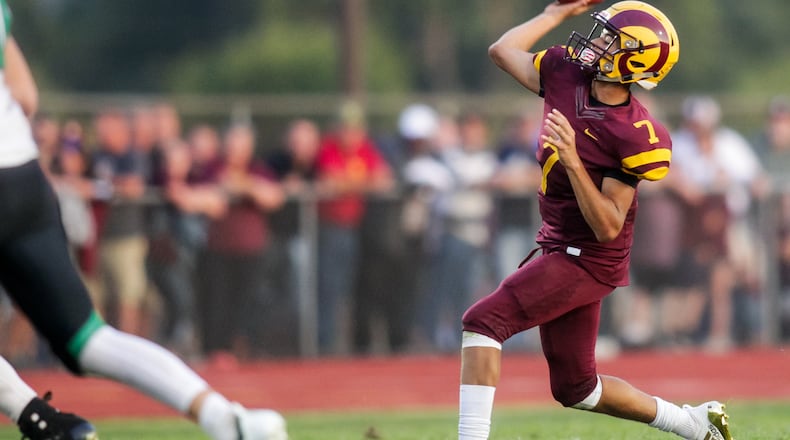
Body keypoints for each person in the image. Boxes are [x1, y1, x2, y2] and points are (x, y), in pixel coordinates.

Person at [0, 2, 287, 439]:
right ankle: (226, 418)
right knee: (88, 339)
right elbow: (26, 98)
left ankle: (37, 419)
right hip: (23, 176)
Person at [458, 2, 733, 440]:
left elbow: (607, 225)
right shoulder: (567, 73)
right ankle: (692, 423)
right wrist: (553, 13)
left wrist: (572, 159)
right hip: (558, 243)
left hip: (588, 257)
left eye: (612, 40)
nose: (597, 43)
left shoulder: (637, 133)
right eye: (602, 33)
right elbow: (502, 51)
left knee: (484, 321)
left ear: (634, 61)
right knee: (576, 387)